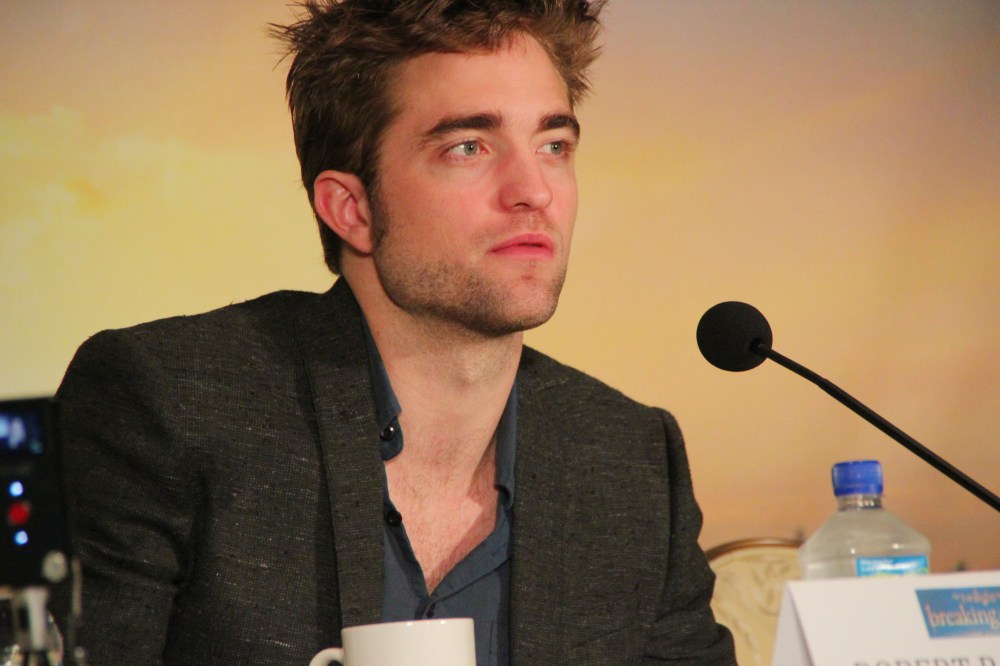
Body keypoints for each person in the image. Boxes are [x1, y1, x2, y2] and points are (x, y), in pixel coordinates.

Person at [54, 1, 736, 664]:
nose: (534, 190)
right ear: (352, 209)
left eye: (553, 145)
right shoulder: (169, 406)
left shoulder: (630, 461)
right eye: (468, 147)